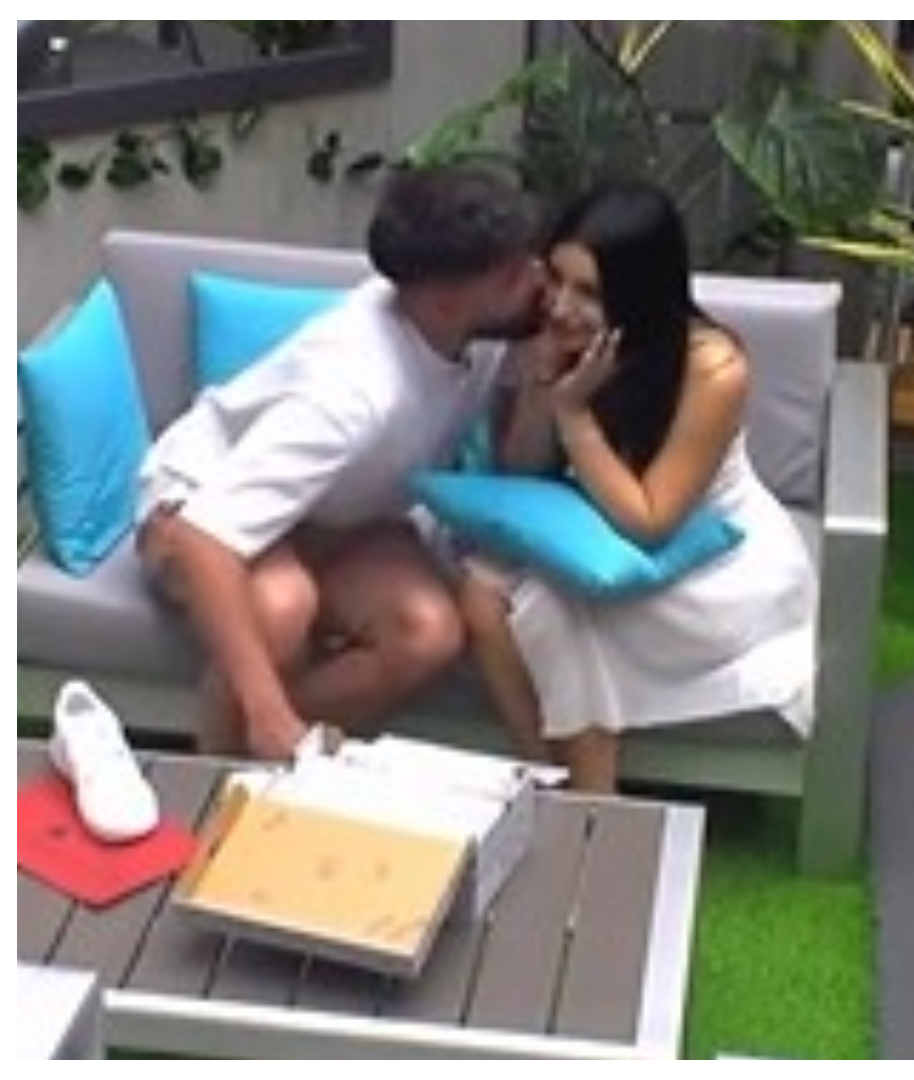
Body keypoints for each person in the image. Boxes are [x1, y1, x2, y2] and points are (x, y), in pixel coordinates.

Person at [136, 165, 547, 761]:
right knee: (281, 606)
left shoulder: (485, 328)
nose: (537, 280)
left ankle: (274, 762)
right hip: (197, 500)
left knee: (425, 633)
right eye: (513, 275)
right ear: (445, 302)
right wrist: (267, 710)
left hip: (337, 518)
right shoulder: (353, 390)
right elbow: (204, 538)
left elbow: (516, 457)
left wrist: (549, 385)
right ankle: (219, 772)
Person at [457, 181, 818, 792]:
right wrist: (544, 377)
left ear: (640, 293)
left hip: (708, 561)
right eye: (557, 280)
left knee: (550, 613)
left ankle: (593, 804)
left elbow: (650, 521)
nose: (561, 307)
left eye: (590, 293)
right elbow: (521, 472)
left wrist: (574, 414)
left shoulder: (712, 367)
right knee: (478, 592)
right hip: (593, 527)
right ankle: (542, 779)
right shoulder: (558, 334)